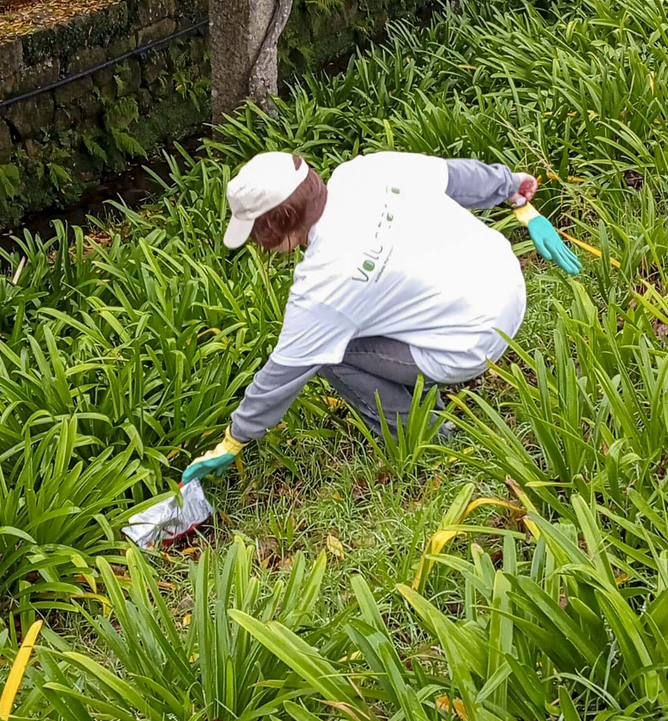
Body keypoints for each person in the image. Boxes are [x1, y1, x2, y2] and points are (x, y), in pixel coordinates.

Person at [178, 150, 580, 494]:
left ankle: (426, 441)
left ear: (276, 225)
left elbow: (283, 372)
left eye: (255, 233)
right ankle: (424, 397)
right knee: (355, 320)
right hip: (505, 280)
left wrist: (234, 439)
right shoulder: (363, 172)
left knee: (328, 354)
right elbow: (454, 176)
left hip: (471, 340)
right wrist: (511, 188)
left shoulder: (321, 284)